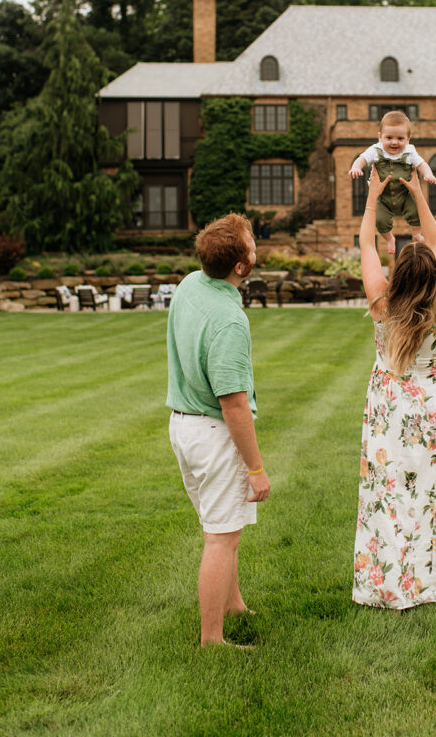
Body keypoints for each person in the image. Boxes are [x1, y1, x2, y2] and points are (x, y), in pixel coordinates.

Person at [352, 167, 436, 612]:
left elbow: (365, 244)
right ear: (434, 275)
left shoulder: (382, 302)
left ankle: (392, 587)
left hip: (393, 407)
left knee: (391, 491)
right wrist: (420, 196)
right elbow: (435, 242)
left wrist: (372, 199)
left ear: (398, 273)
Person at [166, 212, 271, 647]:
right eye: (251, 242)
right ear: (242, 267)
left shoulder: (191, 284)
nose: (255, 244)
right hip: (212, 434)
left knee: (222, 526)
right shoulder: (230, 322)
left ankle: (234, 604)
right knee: (221, 539)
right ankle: (212, 640)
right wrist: (255, 469)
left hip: (183, 427)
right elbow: (234, 405)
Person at [349, 111, 436, 256]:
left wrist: (428, 174)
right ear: (380, 137)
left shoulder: (410, 152)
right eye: (389, 137)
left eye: (400, 138)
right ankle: (390, 238)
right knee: (380, 220)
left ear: (408, 139)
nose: (394, 142)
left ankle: (416, 234)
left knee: (417, 212)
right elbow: (362, 158)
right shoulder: (376, 150)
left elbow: (422, 164)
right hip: (383, 197)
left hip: (404, 194)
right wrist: (356, 167)